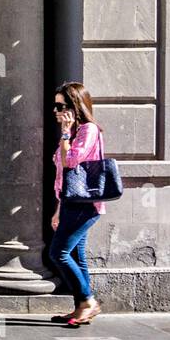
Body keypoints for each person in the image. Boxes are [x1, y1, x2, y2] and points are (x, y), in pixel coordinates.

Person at [49, 81, 105, 327]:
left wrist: (64, 133)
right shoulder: (75, 132)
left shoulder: (88, 130)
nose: (55, 110)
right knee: (76, 254)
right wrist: (58, 209)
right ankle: (80, 307)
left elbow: (71, 162)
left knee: (58, 253)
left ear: (74, 107)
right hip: (72, 202)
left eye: (60, 105)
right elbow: (65, 177)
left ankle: (88, 301)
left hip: (85, 204)